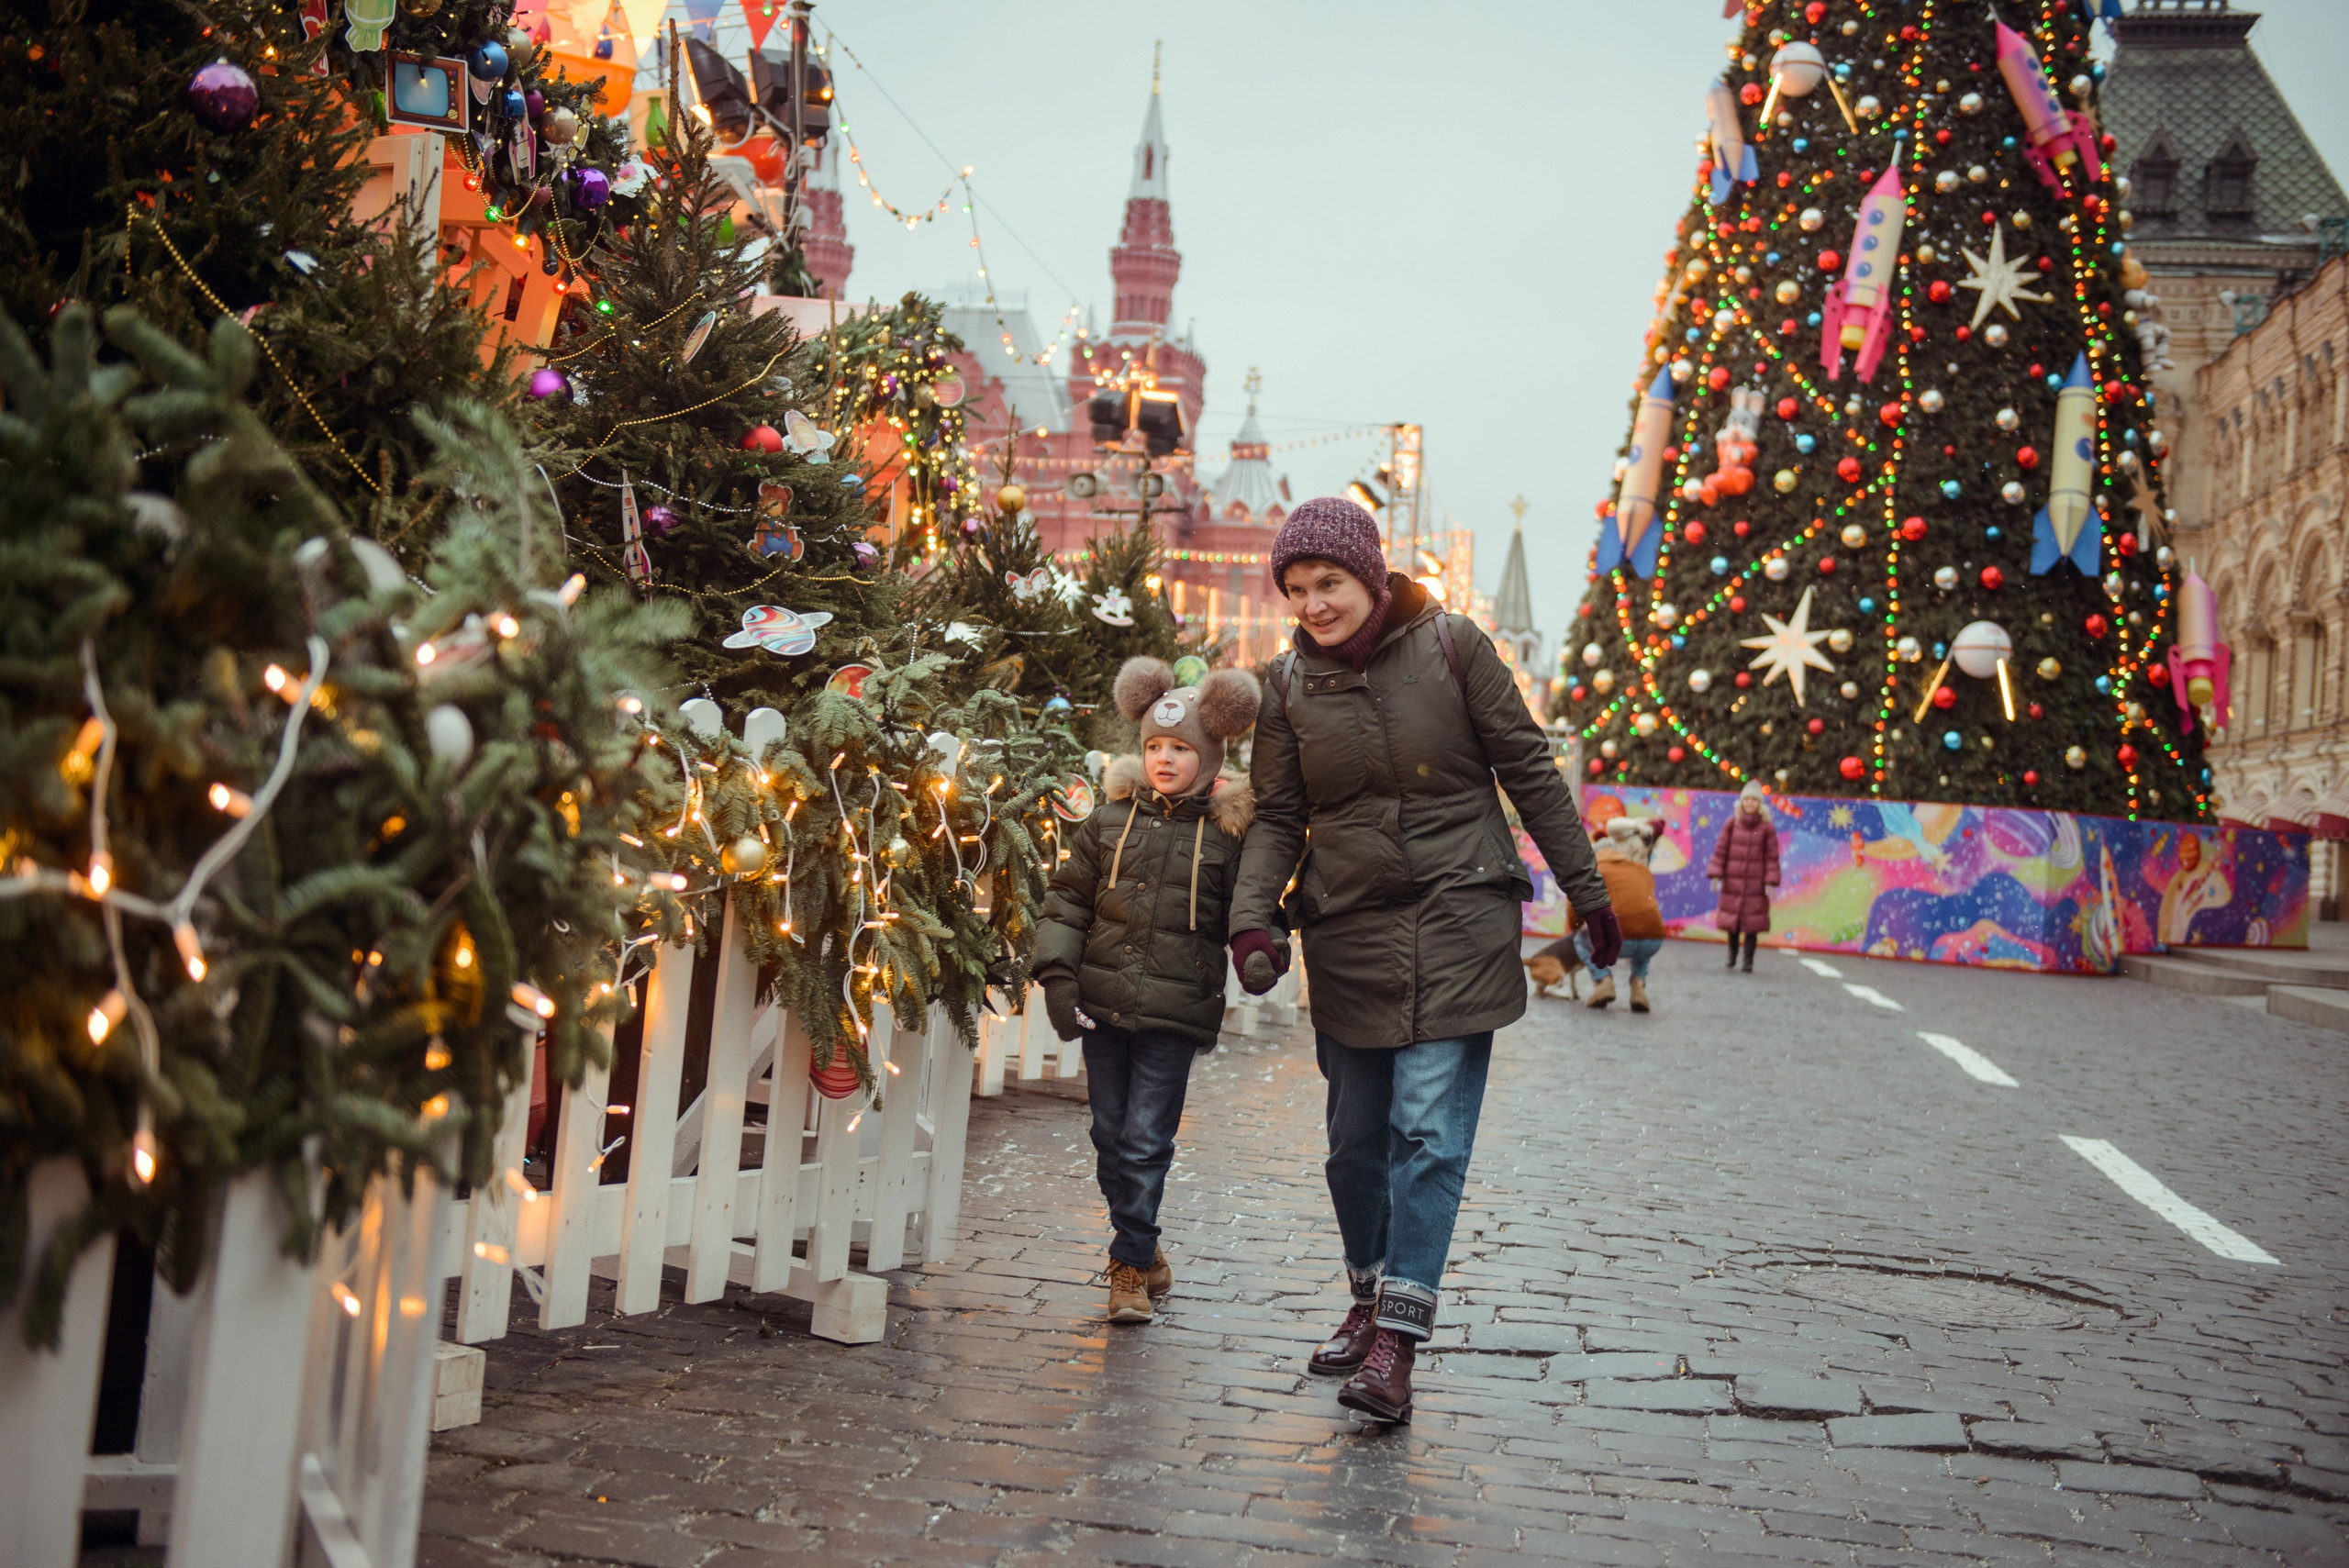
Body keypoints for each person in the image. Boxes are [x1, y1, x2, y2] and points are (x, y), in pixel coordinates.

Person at [1229, 496, 1618, 1424]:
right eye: (1295, 588)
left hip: (1461, 915)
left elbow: (1527, 767)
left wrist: (1587, 889)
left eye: (1327, 582)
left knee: (1427, 1132)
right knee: (1353, 1145)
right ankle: (1365, 1296)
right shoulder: (1284, 687)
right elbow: (1281, 815)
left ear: (1369, 573)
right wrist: (1253, 919)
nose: (1313, 602)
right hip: (1349, 926)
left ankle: (1398, 1337)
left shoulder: (1453, 646)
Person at [1033, 657, 1261, 1324]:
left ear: (1210, 753)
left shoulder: (1228, 835)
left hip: (1172, 1012)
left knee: (1144, 1138)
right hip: (1102, 1003)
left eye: (1181, 748)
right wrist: (1057, 974)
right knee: (1110, 1133)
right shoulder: (1107, 821)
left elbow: (1251, 907)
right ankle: (1148, 1247)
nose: (1164, 759)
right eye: (1155, 746)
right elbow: (1068, 900)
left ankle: (1128, 1266)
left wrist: (1259, 944)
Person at [1572, 816, 1668, 1011]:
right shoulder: (1640, 869)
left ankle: (1603, 981)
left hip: (1619, 941)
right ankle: (1638, 986)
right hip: (1654, 941)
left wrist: (1575, 927)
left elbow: (1575, 909)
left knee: (1579, 940)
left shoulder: (1594, 870)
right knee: (1644, 929)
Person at [1709, 780, 1781, 972]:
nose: (1750, 803)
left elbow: (1772, 856)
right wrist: (1716, 874)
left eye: (1754, 800)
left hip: (1755, 885)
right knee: (1733, 923)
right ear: (1741, 802)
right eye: (1747, 799)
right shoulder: (1732, 824)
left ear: (1759, 804)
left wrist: (1770, 881)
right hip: (1733, 882)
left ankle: (1748, 960)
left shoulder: (1766, 828)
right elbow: (1721, 851)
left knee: (1752, 924)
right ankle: (1732, 954)